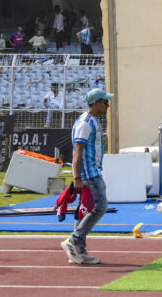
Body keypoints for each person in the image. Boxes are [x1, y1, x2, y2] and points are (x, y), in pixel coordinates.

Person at [62, 88, 113, 265]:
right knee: (100, 207)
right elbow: (78, 150)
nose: (107, 105)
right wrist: (76, 177)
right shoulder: (85, 123)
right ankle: (73, 241)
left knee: (84, 209)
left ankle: (80, 251)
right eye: (105, 102)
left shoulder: (94, 121)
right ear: (97, 103)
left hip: (92, 171)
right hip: (89, 174)